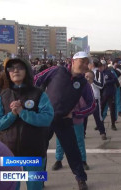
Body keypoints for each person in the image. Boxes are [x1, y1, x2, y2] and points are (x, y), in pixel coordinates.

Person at [0, 58, 54, 190]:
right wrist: (12, 115)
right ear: (8, 73)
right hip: (9, 153)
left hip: (35, 152)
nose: (15, 70)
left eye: (19, 67)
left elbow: (47, 118)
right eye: (11, 68)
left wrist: (23, 112)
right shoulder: (3, 96)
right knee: (11, 187)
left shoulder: (39, 94)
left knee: (35, 186)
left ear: (27, 71)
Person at [34, 52, 96, 190]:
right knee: (39, 149)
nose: (85, 64)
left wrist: (75, 113)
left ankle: (81, 179)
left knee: (73, 151)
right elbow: (36, 79)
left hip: (64, 121)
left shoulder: (83, 83)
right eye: (83, 61)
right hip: (46, 118)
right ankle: (39, 180)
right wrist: (34, 101)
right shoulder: (57, 70)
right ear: (73, 61)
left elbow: (92, 105)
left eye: (87, 62)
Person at [53, 72, 95, 171]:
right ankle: (58, 160)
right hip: (62, 120)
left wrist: (75, 114)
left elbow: (84, 106)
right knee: (60, 140)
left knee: (79, 140)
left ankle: (83, 160)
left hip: (76, 120)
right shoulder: (59, 91)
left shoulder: (77, 92)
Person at [85, 59, 107, 140]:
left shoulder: (98, 73)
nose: (87, 65)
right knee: (84, 116)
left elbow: (101, 85)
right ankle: (83, 133)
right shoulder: (86, 72)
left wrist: (92, 80)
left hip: (95, 97)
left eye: (89, 64)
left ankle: (102, 132)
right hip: (86, 97)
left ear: (92, 64)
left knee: (97, 116)